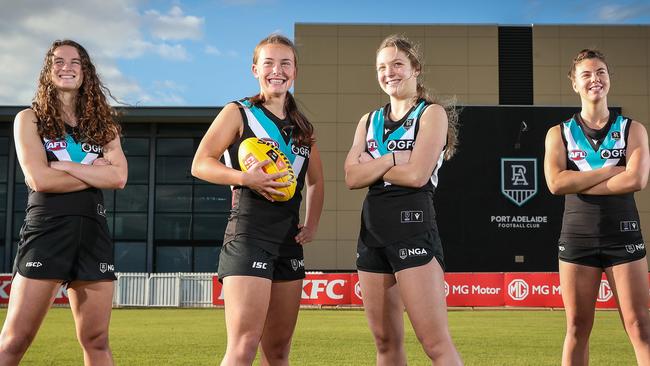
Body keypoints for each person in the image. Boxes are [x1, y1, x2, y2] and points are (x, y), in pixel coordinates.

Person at [191, 34, 324, 366]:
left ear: (295, 72)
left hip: (288, 243)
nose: (276, 71)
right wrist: (243, 178)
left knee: (277, 353)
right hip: (248, 236)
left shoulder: (303, 128)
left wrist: (312, 224)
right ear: (255, 70)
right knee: (244, 345)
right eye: (268, 63)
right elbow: (200, 163)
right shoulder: (239, 113)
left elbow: (317, 181)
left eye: (285, 63)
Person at [0, 40, 127, 365]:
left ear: (86, 72)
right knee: (15, 340)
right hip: (47, 233)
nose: (66, 66)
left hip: (93, 235)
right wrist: (92, 171)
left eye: (75, 61)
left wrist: (67, 166)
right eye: (58, 61)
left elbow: (118, 178)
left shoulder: (104, 127)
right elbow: (40, 180)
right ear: (48, 70)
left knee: (96, 340)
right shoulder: (29, 119)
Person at [344, 35, 462, 366]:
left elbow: (417, 176)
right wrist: (394, 159)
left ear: (415, 69)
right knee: (385, 343)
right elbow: (352, 178)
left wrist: (373, 165)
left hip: (413, 227)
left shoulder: (432, 114)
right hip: (372, 233)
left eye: (397, 64)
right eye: (382, 67)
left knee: (435, 343)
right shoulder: (368, 121)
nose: (389, 72)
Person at [544, 49, 650, 366]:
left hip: (624, 236)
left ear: (609, 79)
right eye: (587, 74)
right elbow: (555, 184)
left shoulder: (633, 129)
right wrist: (608, 171)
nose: (595, 79)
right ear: (574, 83)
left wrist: (579, 179)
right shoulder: (558, 133)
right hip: (577, 239)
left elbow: (636, 180)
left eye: (601, 72)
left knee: (640, 327)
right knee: (577, 328)